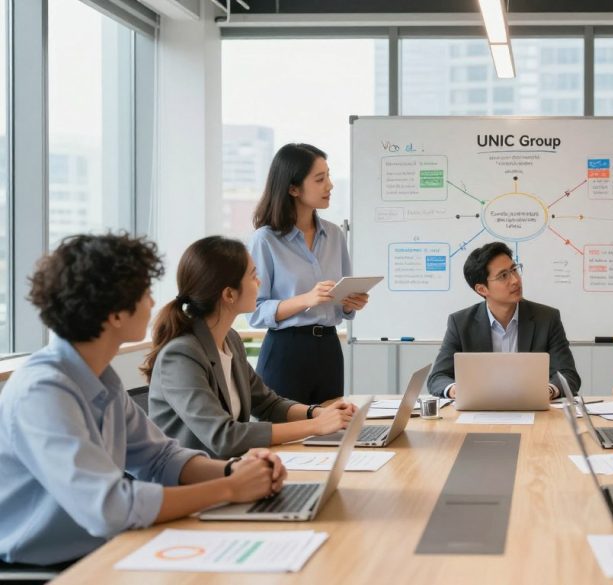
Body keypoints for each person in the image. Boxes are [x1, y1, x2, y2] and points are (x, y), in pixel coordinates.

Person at [0, 234, 286, 566]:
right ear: (115, 314)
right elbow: (110, 508)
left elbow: (160, 459)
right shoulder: (42, 392)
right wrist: (230, 488)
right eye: (145, 293)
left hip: (104, 550)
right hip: (46, 570)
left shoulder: (101, 378)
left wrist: (234, 470)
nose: (152, 303)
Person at [144, 236, 357, 459]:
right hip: (193, 477)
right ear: (229, 294)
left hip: (234, 467)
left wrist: (318, 413)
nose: (260, 283)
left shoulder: (230, 339)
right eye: (254, 276)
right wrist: (315, 426)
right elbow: (225, 437)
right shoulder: (181, 354)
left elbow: (268, 404)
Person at [249, 143, 369, 404]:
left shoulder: (334, 234)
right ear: (293, 188)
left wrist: (350, 303)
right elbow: (254, 311)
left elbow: (342, 300)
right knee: (286, 427)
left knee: (332, 425)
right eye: (319, 179)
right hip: (286, 351)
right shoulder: (265, 240)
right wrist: (306, 299)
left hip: (329, 349)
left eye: (328, 176)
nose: (330, 185)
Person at [427, 242, 581, 398]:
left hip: (533, 408)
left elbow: (568, 375)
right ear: (482, 289)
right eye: (503, 276)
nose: (515, 280)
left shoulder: (547, 319)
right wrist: (456, 390)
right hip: (481, 408)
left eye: (514, 270)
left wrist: (547, 391)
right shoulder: (460, 323)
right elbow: (437, 377)